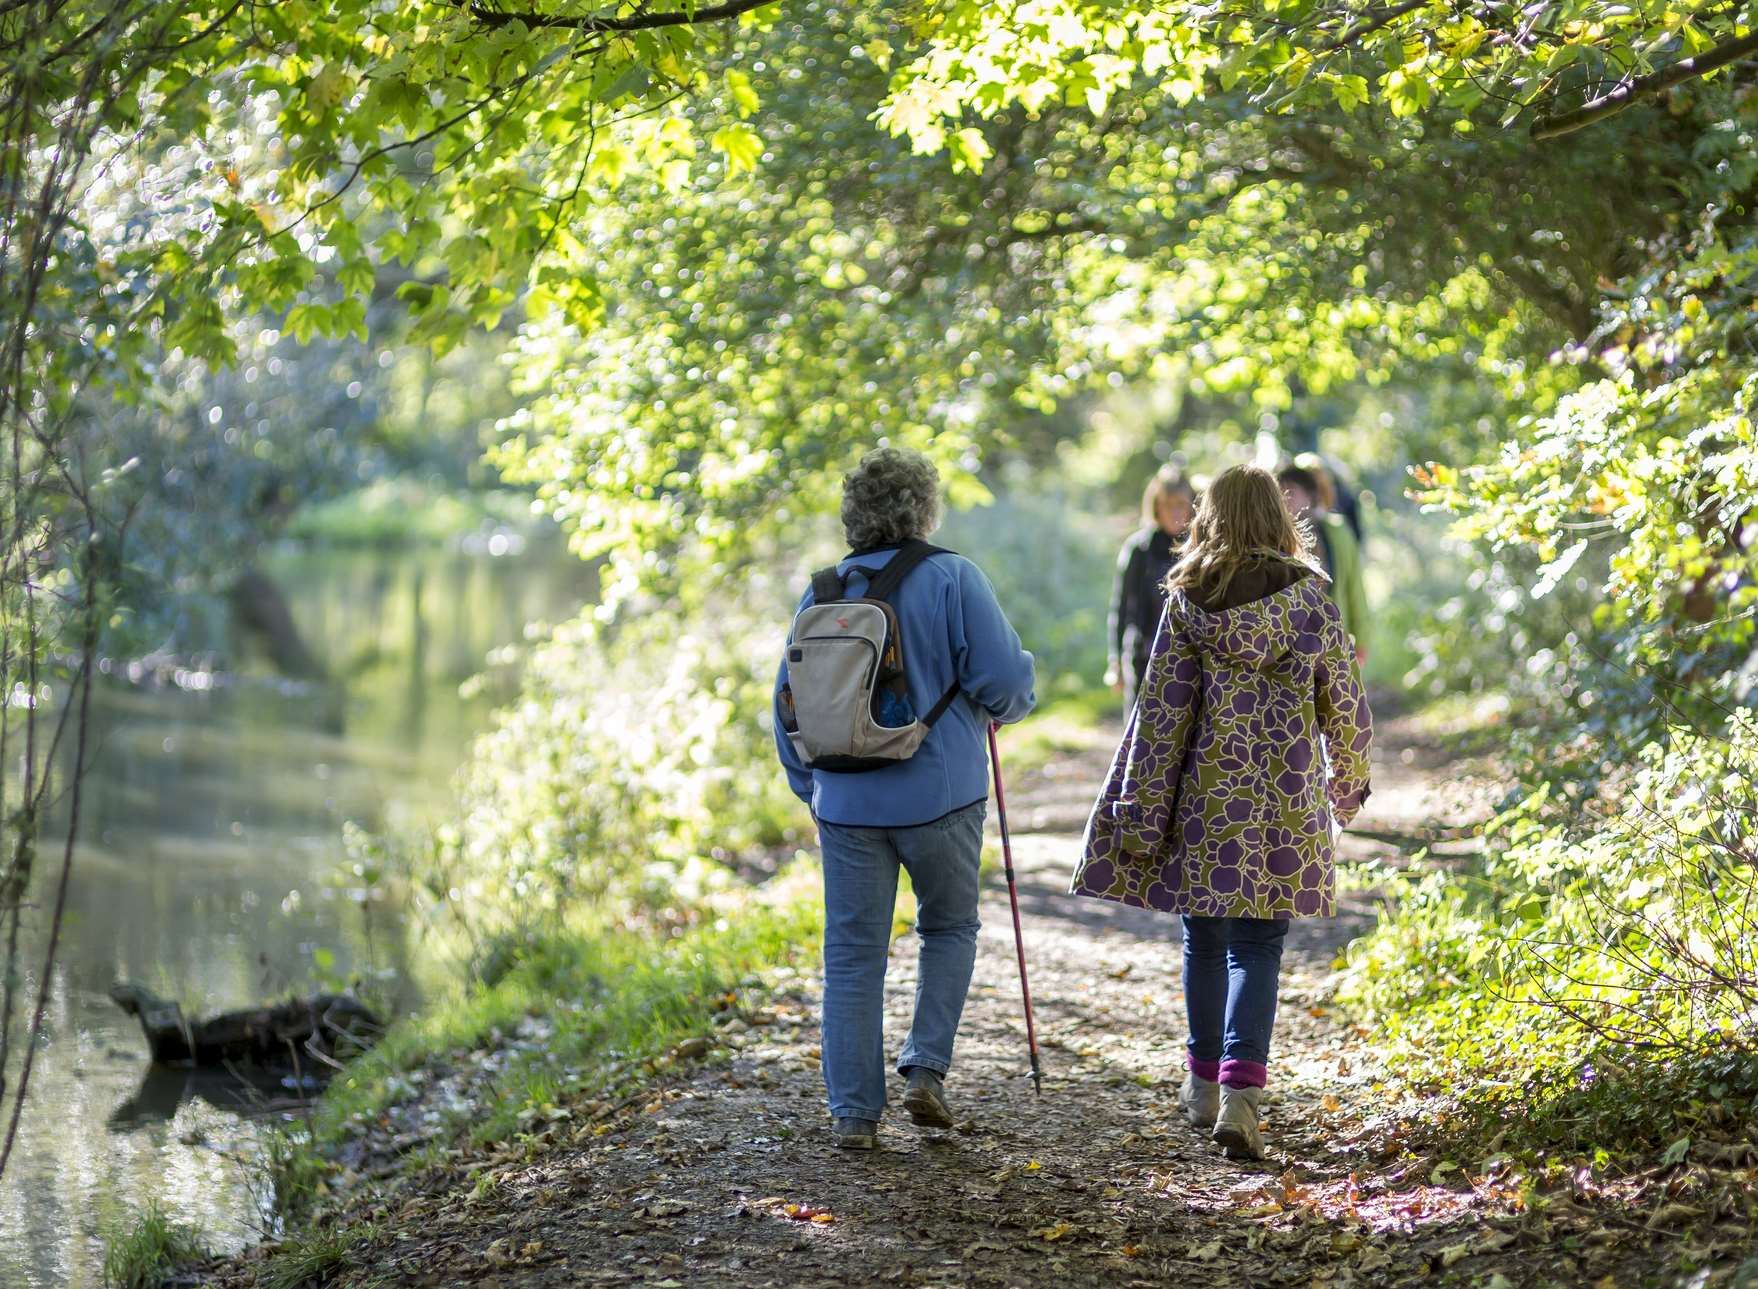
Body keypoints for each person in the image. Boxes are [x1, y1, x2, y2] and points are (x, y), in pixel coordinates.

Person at [1070, 463, 1372, 1160]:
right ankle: (1242, 1095)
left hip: (1205, 797)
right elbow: (1345, 703)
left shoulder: (1187, 601)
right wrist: (1349, 778)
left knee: (1203, 940)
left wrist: (1142, 803)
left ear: (1210, 516)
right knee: (1259, 945)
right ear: (1278, 517)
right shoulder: (1311, 600)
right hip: (1285, 797)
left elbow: (1160, 713)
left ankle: (1202, 1082)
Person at [773, 447, 1036, 1151]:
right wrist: (1016, 698)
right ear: (924, 507)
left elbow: (786, 705)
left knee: (852, 954)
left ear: (853, 512)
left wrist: (814, 787)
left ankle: (853, 1114)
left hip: (845, 804)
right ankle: (924, 1068)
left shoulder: (822, 591)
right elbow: (1006, 682)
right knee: (948, 928)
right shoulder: (952, 577)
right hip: (941, 795)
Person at [1107, 465, 1195, 712]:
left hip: (1187, 661)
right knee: (1138, 732)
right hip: (1143, 657)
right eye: (1168, 504)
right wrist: (1115, 660)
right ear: (1156, 505)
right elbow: (1121, 605)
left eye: (1181, 504)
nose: (1175, 512)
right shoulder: (1139, 548)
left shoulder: (1198, 548)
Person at [1277, 462, 1367, 661]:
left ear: (1310, 497)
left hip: (1333, 645)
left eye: (1290, 492)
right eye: (1279, 492)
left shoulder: (1338, 533)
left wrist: (1361, 643)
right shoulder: (1271, 539)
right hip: (1289, 653)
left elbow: (1354, 589)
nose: (1284, 500)